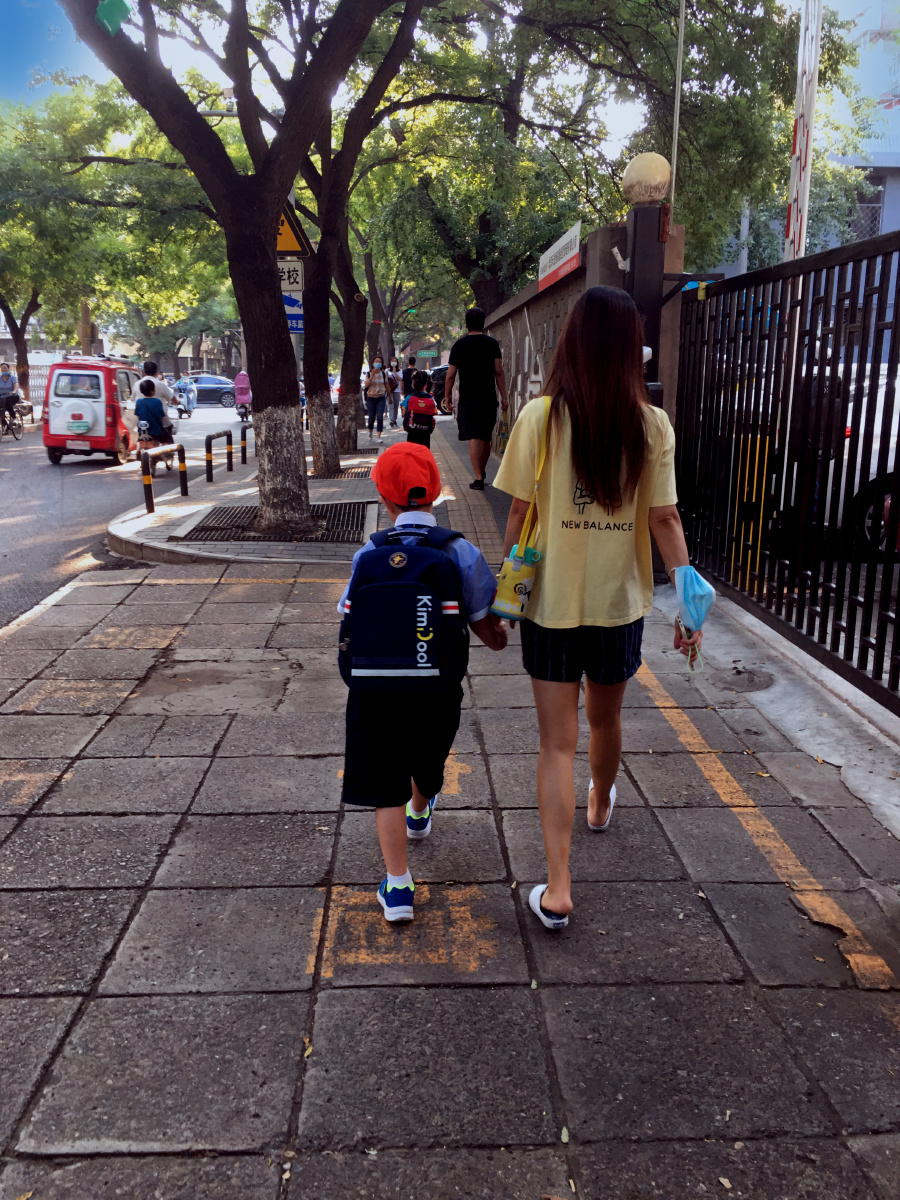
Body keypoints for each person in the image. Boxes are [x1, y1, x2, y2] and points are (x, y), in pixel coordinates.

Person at [493, 286, 703, 931]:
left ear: (573, 342)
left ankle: (558, 888)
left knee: (555, 744)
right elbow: (665, 518)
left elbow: (520, 512)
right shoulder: (651, 425)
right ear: (630, 349)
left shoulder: (539, 417)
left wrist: (504, 585)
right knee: (605, 720)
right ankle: (603, 800)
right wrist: (689, 606)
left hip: (549, 604)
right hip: (618, 604)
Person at [338, 442, 507, 922]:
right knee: (427, 755)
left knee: (384, 779)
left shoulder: (369, 552)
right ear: (436, 490)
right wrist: (499, 635)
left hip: (374, 689)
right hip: (436, 688)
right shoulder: (460, 551)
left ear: (383, 498)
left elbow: (348, 613)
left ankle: (397, 887)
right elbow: (484, 622)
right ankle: (420, 807)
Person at [445, 308, 508, 491]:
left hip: (468, 398)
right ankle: (483, 470)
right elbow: (499, 371)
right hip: (488, 397)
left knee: (474, 436)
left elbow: (450, 374)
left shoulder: (459, 345)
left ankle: (478, 476)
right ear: (483, 323)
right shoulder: (492, 344)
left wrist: (447, 396)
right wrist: (504, 397)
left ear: (466, 324)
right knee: (485, 436)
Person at [403, 369, 438, 448]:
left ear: (414, 383)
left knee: (412, 450)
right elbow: (434, 411)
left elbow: (403, 413)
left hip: (412, 431)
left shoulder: (409, 397)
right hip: (426, 431)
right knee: (424, 450)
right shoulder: (430, 398)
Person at [135, 379, 173, 444]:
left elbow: (138, 416)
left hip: (142, 431)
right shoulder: (157, 401)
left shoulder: (139, 402)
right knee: (168, 442)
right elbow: (161, 417)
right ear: (152, 390)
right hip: (156, 431)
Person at [363, 355, 389, 439]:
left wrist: (390, 397)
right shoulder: (368, 373)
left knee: (380, 417)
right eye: (376, 361)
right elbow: (366, 385)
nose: (378, 363)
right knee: (371, 418)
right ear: (373, 363)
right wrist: (371, 376)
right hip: (371, 398)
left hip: (381, 397)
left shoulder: (383, 374)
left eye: (380, 362)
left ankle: (378, 436)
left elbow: (386, 385)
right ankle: (370, 431)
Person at [0, 364, 20, 429]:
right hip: (2, 397)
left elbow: (16, 385)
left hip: (12, 396)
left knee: (7, 402)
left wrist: (14, 391)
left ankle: (14, 417)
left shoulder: (12, 378)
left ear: (8, 369)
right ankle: (5, 426)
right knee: (1, 411)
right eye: (2, 368)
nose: (3, 369)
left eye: (5, 368)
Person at [387, 356, 403, 428]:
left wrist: (395, 372)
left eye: (395, 361)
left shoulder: (400, 371)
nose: (394, 362)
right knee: (391, 405)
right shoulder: (387, 370)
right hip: (390, 390)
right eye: (392, 361)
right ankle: (391, 420)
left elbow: (400, 379)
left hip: (397, 390)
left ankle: (394, 420)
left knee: (396, 405)